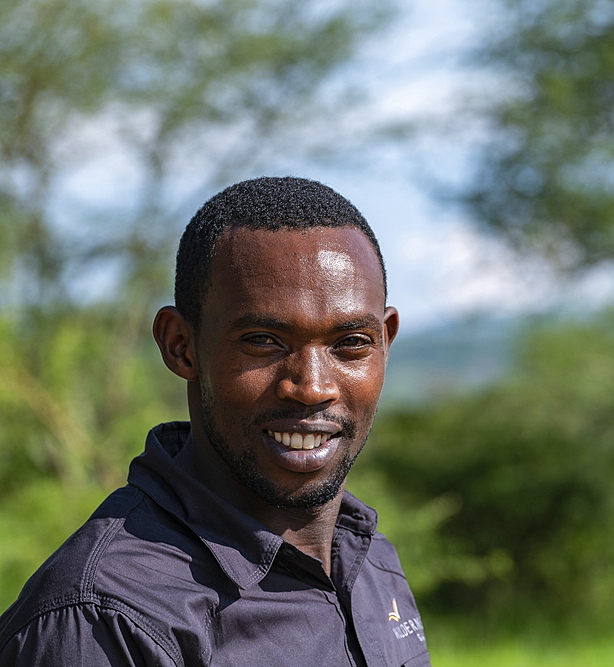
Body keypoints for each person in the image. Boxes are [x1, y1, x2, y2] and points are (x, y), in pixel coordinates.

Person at [0, 177, 429, 666]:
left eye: (350, 342)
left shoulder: (370, 560)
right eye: (264, 340)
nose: (312, 387)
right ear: (181, 346)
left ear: (386, 343)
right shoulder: (103, 621)